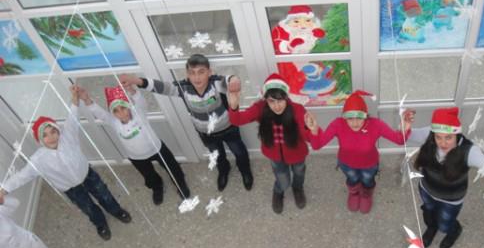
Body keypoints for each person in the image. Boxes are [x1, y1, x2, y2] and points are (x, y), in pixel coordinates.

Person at [0, 86, 131, 241]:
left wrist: (75, 98)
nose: (51, 137)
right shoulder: (39, 159)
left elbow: (72, 116)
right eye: (45, 135)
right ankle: (100, 223)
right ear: (40, 140)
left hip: (88, 175)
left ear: (58, 131)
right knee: (88, 207)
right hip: (71, 189)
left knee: (104, 194)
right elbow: (23, 176)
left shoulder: (68, 135)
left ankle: (116, 210)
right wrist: (4, 189)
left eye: (53, 132)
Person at [119, 54, 253, 192]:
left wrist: (234, 79)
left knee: (239, 152)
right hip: (206, 133)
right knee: (217, 155)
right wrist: (135, 80)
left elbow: (229, 80)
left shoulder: (216, 83)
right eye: (192, 73)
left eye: (201, 72)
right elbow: (160, 86)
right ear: (187, 74)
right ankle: (224, 170)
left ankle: (245, 171)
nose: (197, 77)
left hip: (228, 128)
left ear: (209, 72)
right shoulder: (183, 88)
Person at [411, 107, 484, 248]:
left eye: (448, 137)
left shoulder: (469, 151)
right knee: (428, 214)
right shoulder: (429, 135)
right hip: (427, 190)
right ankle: (432, 228)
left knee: (445, 224)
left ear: (457, 134)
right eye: (438, 137)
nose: (442, 143)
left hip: (451, 200)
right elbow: (406, 136)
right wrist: (404, 125)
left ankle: (454, 230)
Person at [78, 84, 190, 205]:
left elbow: (140, 101)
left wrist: (132, 90)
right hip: (137, 156)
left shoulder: (139, 113)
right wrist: (86, 99)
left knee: (172, 166)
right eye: (116, 111)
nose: (121, 113)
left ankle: (180, 183)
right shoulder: (113, 121)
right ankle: (157, 187)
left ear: (128, 106)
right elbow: (99, 113)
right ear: (113, 113)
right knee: (149, 175)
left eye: (123, 108)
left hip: (156, 148)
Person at [304, 90, 413, 213]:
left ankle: (366, 195)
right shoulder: (338, 124)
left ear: (366, 115)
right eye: (350, 118)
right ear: (344, 117)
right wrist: (314, 130)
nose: (355, 123)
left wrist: (405, 127)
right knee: (352, 179)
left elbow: (399, 140)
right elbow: (317, 145)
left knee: (368, 180)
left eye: (359, 118)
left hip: (369, 164)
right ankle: (354, 193)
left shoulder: (376, 125)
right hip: (346, 164)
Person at [228, 73, 310, 214]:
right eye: (271, 101)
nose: (276, 106)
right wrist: (234, 106)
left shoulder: (298, 109)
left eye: (280, 100)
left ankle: (298, 188)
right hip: (274, 155)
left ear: (286, 97)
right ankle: (278, 191)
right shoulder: (260, 108)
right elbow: (237, 120)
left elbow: (308, 133)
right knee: (283, 180)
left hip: (297, 152)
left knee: (299, 173)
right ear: (265, 99)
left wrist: (312, 129)